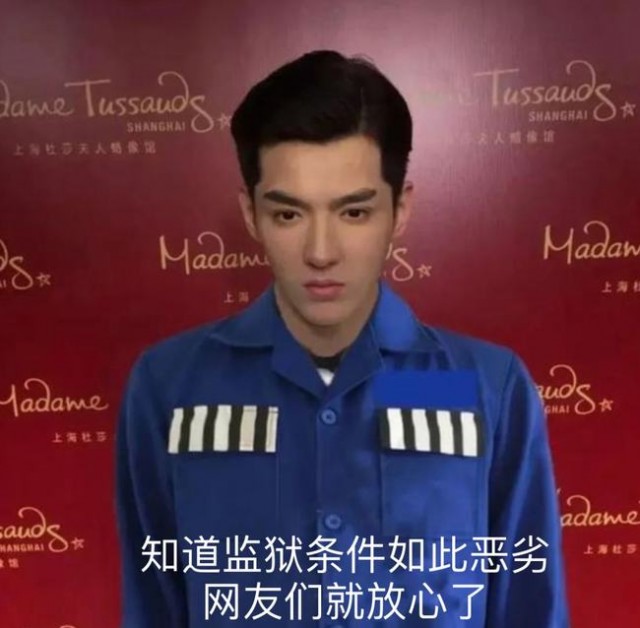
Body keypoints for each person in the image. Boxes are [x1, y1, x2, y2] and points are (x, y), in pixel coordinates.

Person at [115, 50, 570, 627]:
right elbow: (154, 600)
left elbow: (528, 603)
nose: (321, 251)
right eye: (289, 215)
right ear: (251, 215)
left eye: (354, 213)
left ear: (399, 210)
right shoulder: (171, 387)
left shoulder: (485, 387)